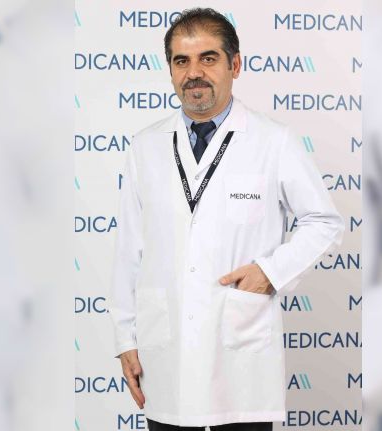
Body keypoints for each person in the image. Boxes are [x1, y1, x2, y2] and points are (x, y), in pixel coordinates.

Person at [109, 8, 344, 430]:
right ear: (170, 70)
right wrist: (125, 338)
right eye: (182, 61)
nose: (194, 73)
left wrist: (269, 272)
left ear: (235, 65)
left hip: (241, 361)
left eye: (208, 58)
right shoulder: (145, 147)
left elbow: (324, 222)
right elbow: (129, 250)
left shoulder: (273, 141)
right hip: (166, 356)